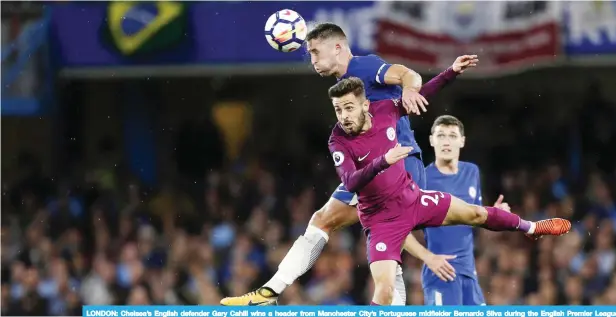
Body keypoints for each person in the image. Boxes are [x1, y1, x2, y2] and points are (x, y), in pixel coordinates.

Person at [220, 23, 478, 306]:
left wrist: (409, 90)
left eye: (316, 52)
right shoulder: (346, 87)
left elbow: (409, 74)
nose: (313, 61)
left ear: (338, 47)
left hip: (399, 166)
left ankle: (270, 292)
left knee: (343, 227)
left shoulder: (364, 67)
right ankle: (270, 292)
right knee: (344, 229)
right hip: (378, 166)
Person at [325, 77, 571, 305]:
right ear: (431, 140)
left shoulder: (386, 111)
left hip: (414, 201)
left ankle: (532, 228)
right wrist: (383, 161)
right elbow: (349, 182)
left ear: (365, 104)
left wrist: (451, 72)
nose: (344, 116)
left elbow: (422, 95)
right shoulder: (338, 140)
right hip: (382, 221)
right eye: (338, 110)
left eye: (349, 108)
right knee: (385, 290)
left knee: (476, 213)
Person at [404, 115, 493, 305]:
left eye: (452, 136)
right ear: (431, 140)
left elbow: (472, 219)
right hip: (441, 274)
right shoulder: (422, 181)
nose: (446, 141)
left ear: (462, 141)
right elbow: (396, 228)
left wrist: (494, 213)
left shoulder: (472, 172)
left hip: (469, 274)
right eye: (441, 135)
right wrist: (428, 257)